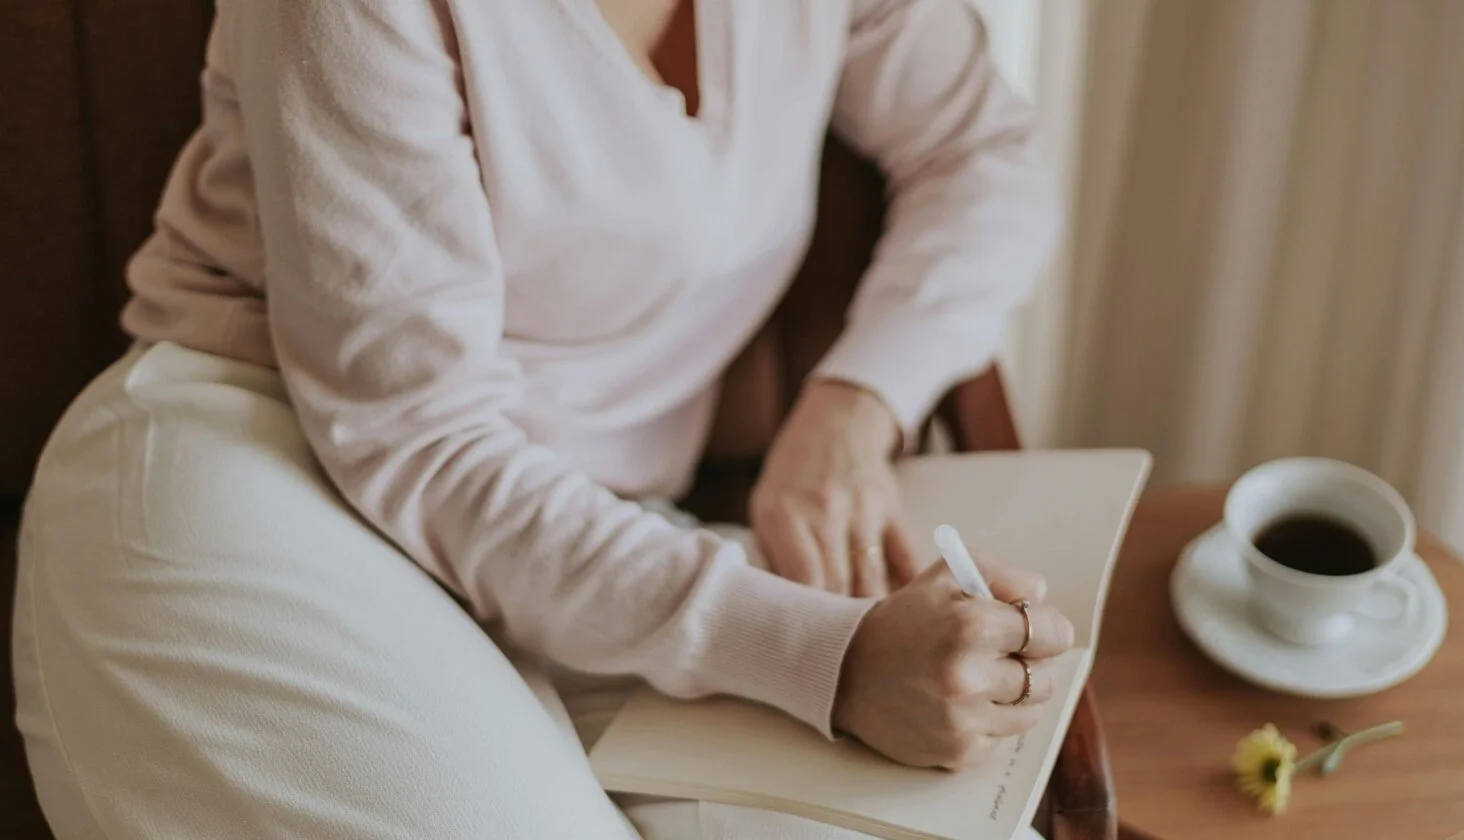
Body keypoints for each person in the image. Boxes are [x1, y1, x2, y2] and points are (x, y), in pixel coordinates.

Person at [12, 0, 1068, 837]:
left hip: (584, 543)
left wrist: (857, 400)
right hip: (262, 478)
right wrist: (824, 661)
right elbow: (422, 439)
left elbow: (987, 152)